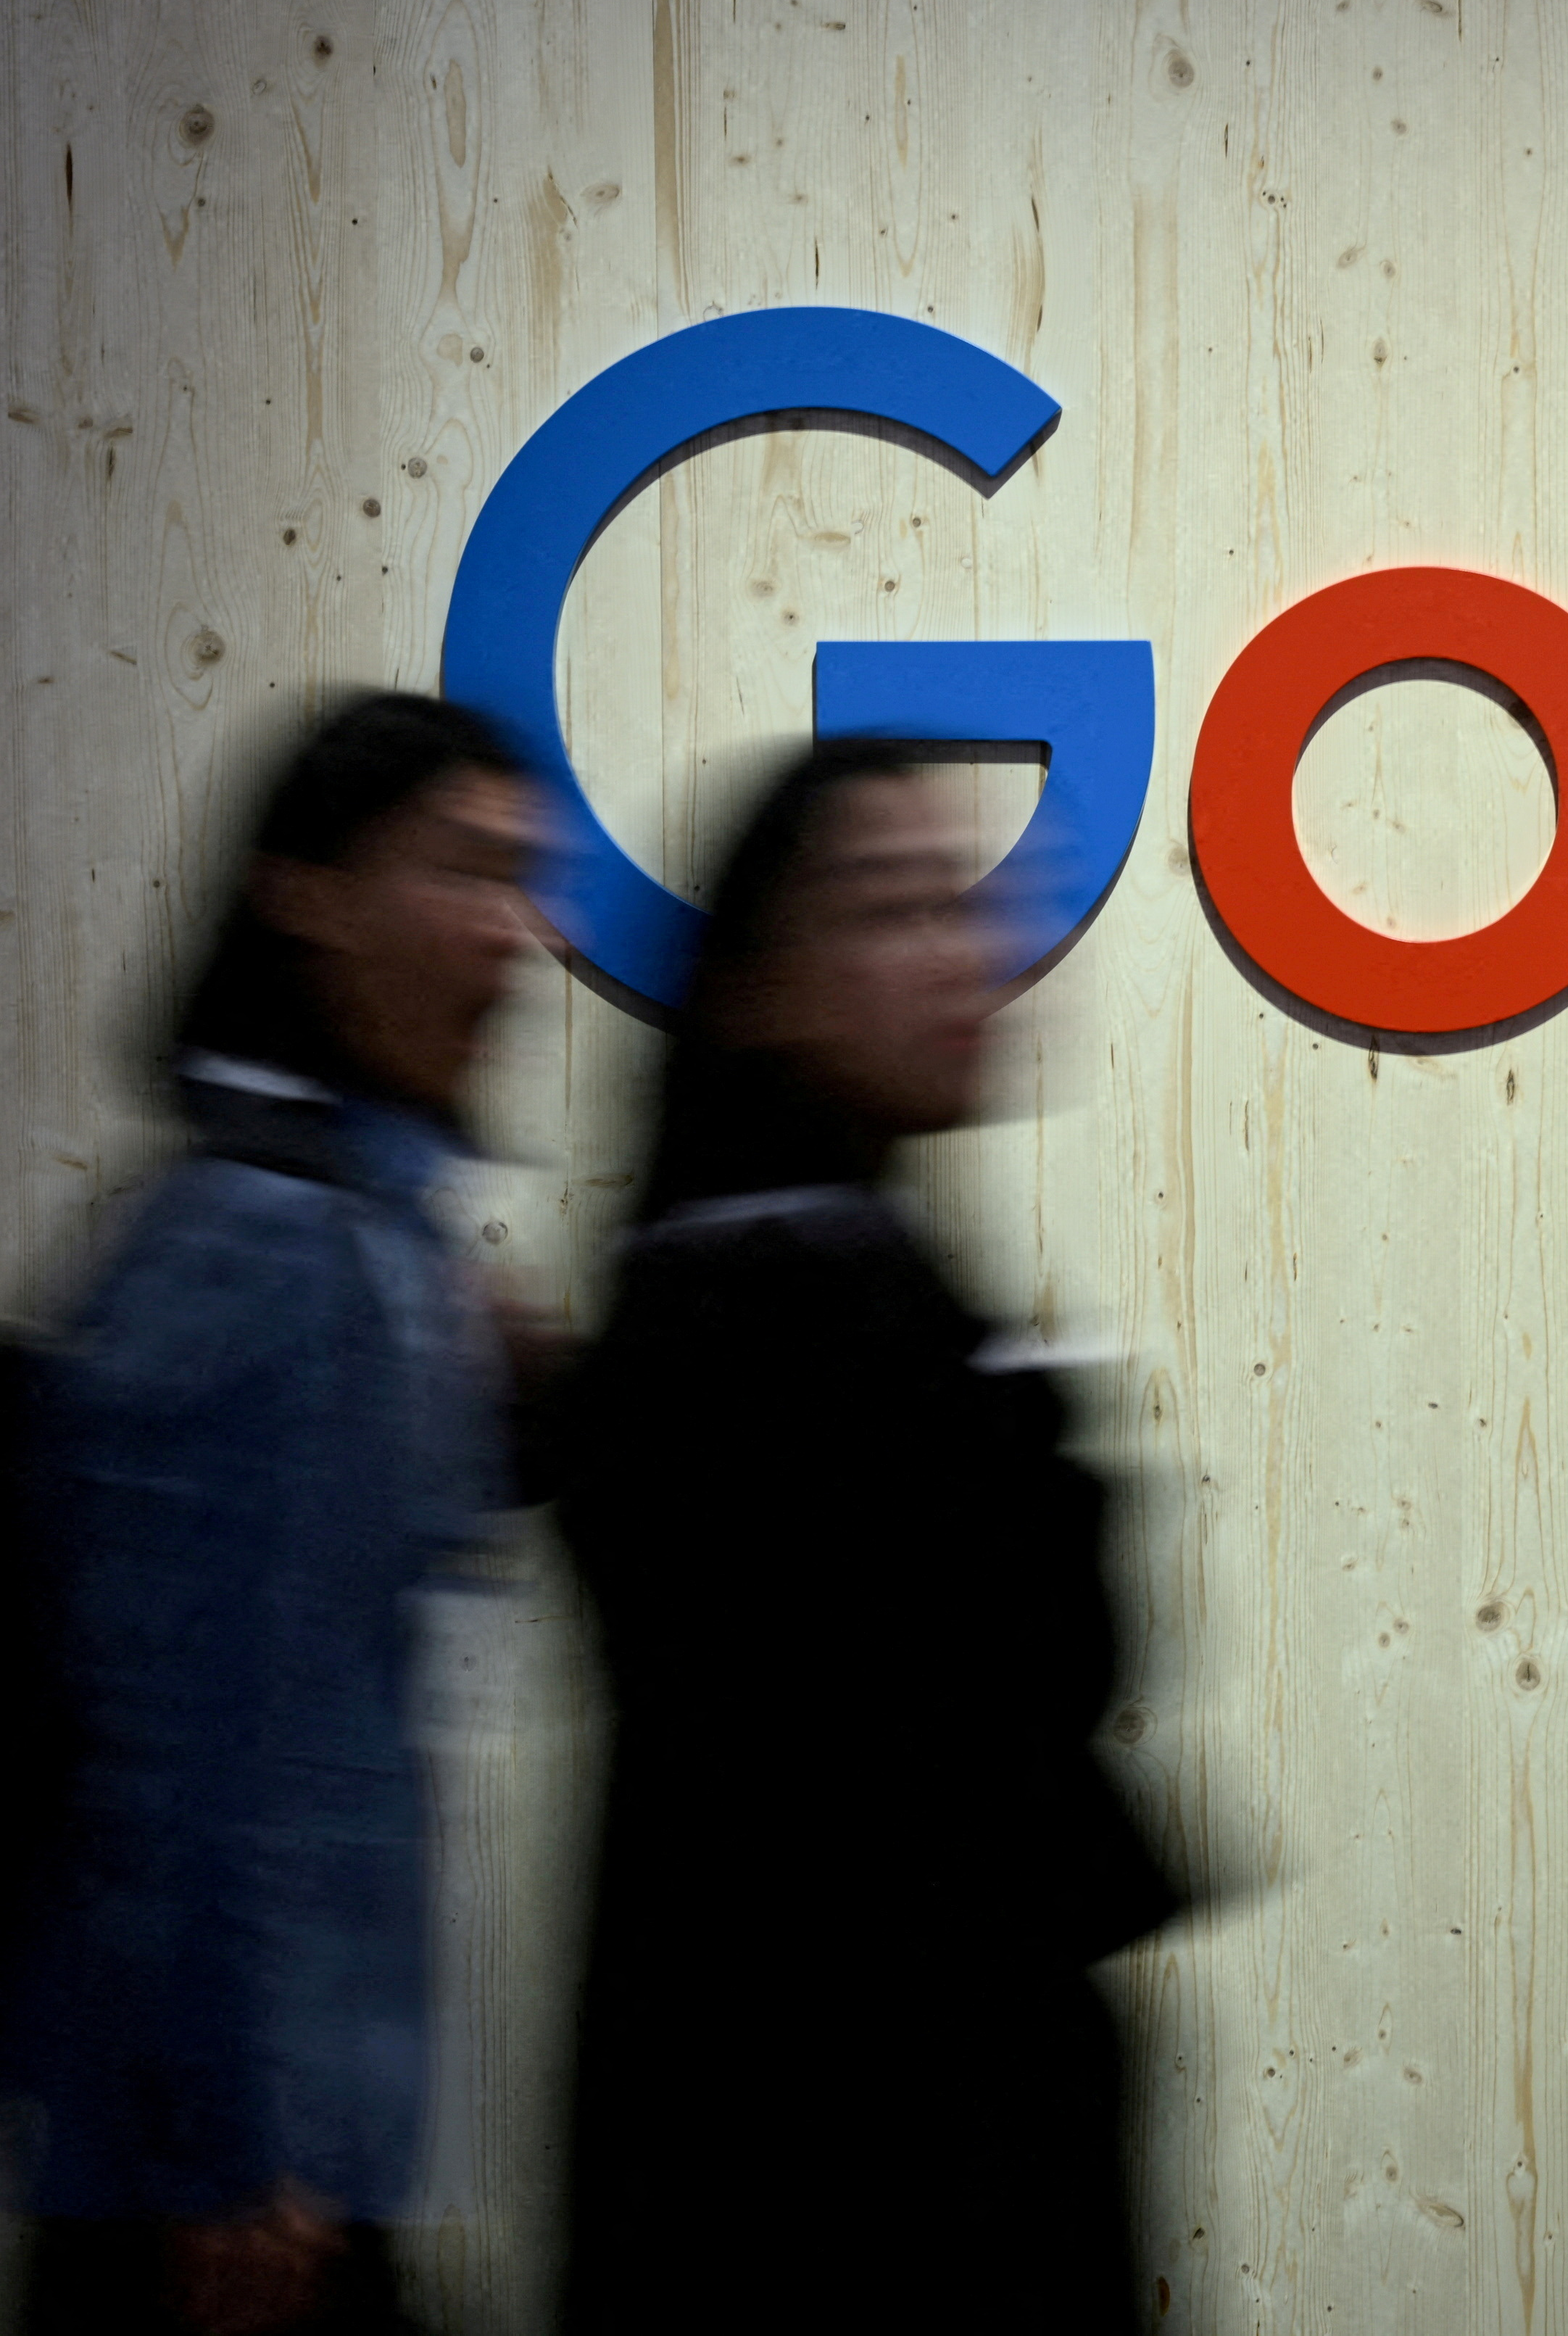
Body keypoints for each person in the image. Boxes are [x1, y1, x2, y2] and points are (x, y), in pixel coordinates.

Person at [552, 739, 1181, 2333]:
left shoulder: (764, 1280)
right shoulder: (788, 1307)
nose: (961, 955)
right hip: (864, 2193)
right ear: (759, 986)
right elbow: (987, 1724)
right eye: (893, 907)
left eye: (959, 902)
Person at [0, 692, 542, 2336]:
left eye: (527, 880)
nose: (513, 934)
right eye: (461, 868)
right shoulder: (278, 1242)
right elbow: (215, 1735)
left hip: (246, 2157)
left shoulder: (351, 1228)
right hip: (232, 2194)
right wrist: (240, 2146)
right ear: (299, 889)